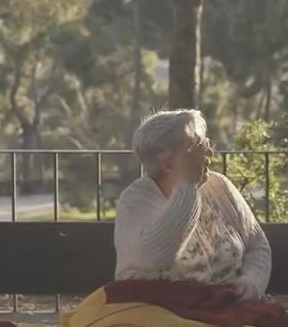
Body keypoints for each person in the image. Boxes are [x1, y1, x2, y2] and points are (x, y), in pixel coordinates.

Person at [114, 109, 271, 301]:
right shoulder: (135, 201)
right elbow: (155, 256)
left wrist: (252, 282)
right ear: (167, 164)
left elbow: (257, 245)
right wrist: (187, 185)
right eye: (198, 145)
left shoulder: (219, 186)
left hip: (227, 308)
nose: (209, 151)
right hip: (158, 316)